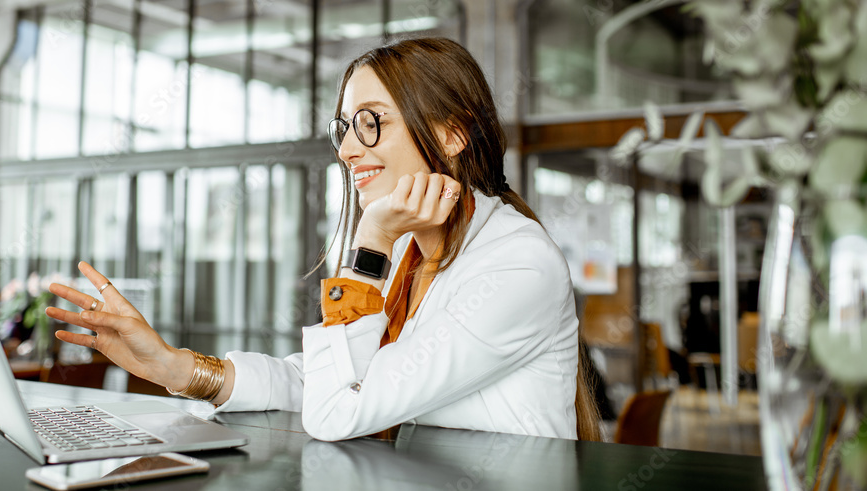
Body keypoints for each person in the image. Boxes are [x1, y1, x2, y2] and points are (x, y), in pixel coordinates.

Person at [47, 37, 601, 442]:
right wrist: (175, 368)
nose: (347, 149)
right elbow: (330, 377)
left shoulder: (517, 264)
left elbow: (339, 411)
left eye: (371, 121)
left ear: (451, 134)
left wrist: (373, 236)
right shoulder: (413, 252)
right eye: (344, 127)